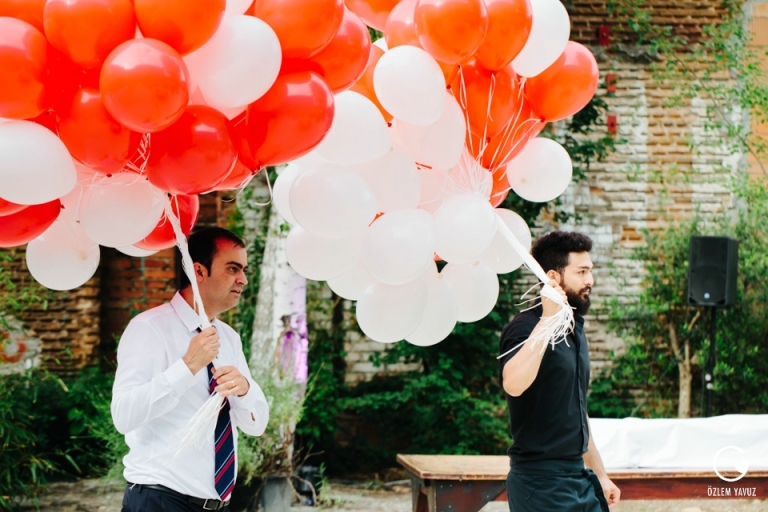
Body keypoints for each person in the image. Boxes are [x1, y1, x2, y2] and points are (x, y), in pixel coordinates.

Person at [112, 227, 269, 512]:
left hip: (216, 505)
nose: (243, 279)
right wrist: (188, 367)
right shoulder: (149, 328)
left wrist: (245, 389)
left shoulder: (229, 339)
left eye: (244, 269)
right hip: (159, 500)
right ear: (199, 271)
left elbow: (255, 425)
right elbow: (123, 415)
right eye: (233, 268)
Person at [499, 231, 621, 511]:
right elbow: (513, 384)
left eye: (590, 271)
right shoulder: (525, 327)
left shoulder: (574, 328)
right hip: (539, 483)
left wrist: (600, 475)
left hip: (578, 477)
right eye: (582, 272)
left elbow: (577, 411)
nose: (590, 280)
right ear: (553, 277)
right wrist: (547, 319)